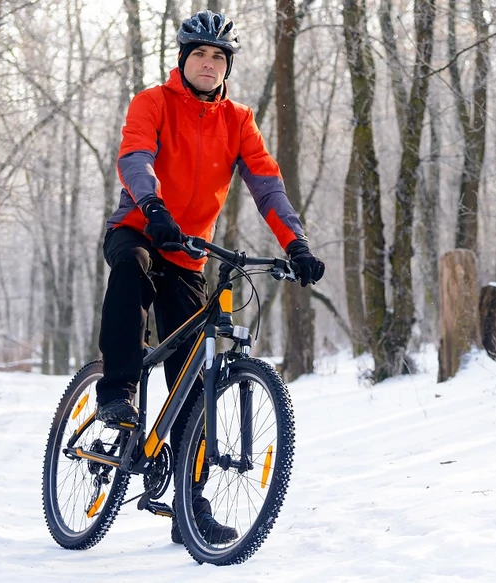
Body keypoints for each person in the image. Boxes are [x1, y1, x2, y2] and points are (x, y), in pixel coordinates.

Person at [95, 10, 325, 544]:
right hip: (140, 228)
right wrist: (151, 205)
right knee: (130, 267)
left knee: (194, 381)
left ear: (227, 67)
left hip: (189, 254)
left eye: (218, 56)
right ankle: (117, 392)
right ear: (183, 59)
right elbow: (135, 156)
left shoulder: (239, 120)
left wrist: (297, 243)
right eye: (199, 53)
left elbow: (267, 186)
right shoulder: (152, 102)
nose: (208, 63)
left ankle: (188, 508)